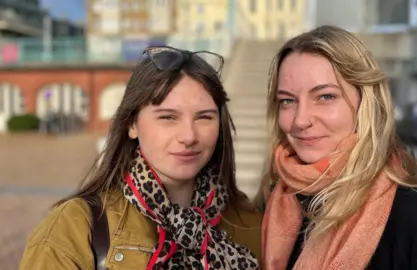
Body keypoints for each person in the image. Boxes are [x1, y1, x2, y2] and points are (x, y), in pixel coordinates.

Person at [258, 25, 417, 270]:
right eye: (287, 100)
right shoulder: (275, 201)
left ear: (367, 102)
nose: (300, 120)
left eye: (325, 96)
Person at [20, 46, 261, 269]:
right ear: (132, 124)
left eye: (204, 117)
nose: (189, 136)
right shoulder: (73, 229)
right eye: (167, 117)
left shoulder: (250, 224)